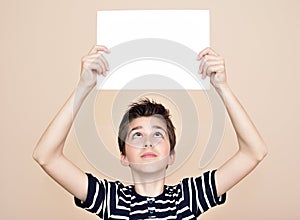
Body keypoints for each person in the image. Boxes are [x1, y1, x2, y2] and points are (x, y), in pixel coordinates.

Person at [33, 45, 267, 219]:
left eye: (158, 134)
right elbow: (46, 156)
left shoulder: (188, 198)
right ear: (123, 156)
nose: (148, 142)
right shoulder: (110, 199)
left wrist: (222, 87)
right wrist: (83, 86)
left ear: (171, 155)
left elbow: (253, 153)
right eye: (136, 135)